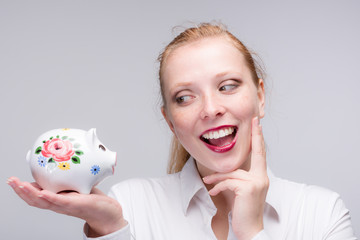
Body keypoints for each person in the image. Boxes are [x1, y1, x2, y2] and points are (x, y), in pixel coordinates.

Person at [8, 23, 357, 240]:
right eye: (185, 97)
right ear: (170, 121)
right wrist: (112, 231)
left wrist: (252, 232)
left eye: (228, 85)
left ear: (260, 97)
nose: (210, 109)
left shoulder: (322, 213)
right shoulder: (130, 206)